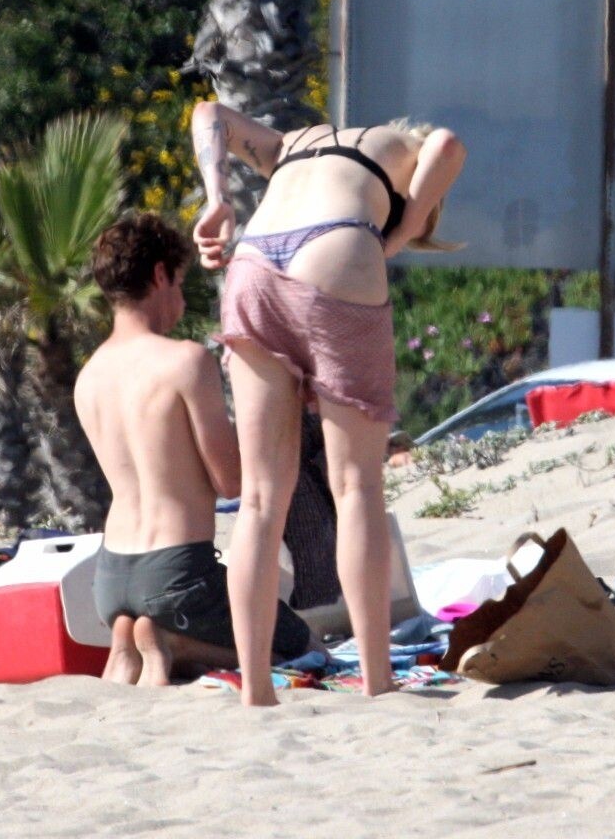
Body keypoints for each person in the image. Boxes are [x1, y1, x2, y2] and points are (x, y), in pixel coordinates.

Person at [191, 103, 466, 705]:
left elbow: (209, 113)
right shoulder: (401, 148)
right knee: (357, 486)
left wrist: (217, 197)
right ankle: (377, 678)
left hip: (253, 263)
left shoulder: (292, 142)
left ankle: (255, 687)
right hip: (337, 249)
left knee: (259, 500)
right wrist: (403, 229)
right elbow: (447, 144)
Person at [74, 213, 313, 686]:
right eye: (180, 284)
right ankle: (175, 643)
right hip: (177, 573)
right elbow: (230, 481)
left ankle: (126, 642)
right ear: (160, 275)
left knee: (160, 620)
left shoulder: (88, 377)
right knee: (300, 645)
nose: (182, 300)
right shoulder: (185, 361)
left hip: (111, 576)